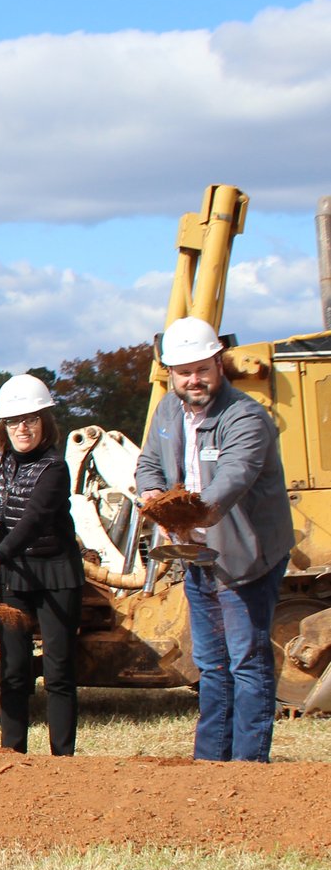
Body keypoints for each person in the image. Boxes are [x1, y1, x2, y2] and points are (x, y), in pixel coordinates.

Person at [135, 317, 293, 762]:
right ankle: (209, 765)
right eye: (184, 372)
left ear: (218, 364)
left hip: (247, 557)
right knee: (210, 664)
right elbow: (148, 463)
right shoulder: (168, 411)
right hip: (198, 555)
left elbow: (231, 481)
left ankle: (247, 765)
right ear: (170, 374)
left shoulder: (245, 416)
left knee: (246, 661)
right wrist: (151, 494)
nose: (194, 380)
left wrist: (178, 512)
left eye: (202, 369)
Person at [0, 375, 84, 756]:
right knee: (14, 670)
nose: (22, 429)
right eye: (13, 421)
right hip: (14, 575)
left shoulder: (55, 467)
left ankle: (63, 758)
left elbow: (34, 520)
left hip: (56, 573)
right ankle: (13, 754)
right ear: (3, 427)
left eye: (30, 420)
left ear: (45, 422)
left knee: (58, 671)